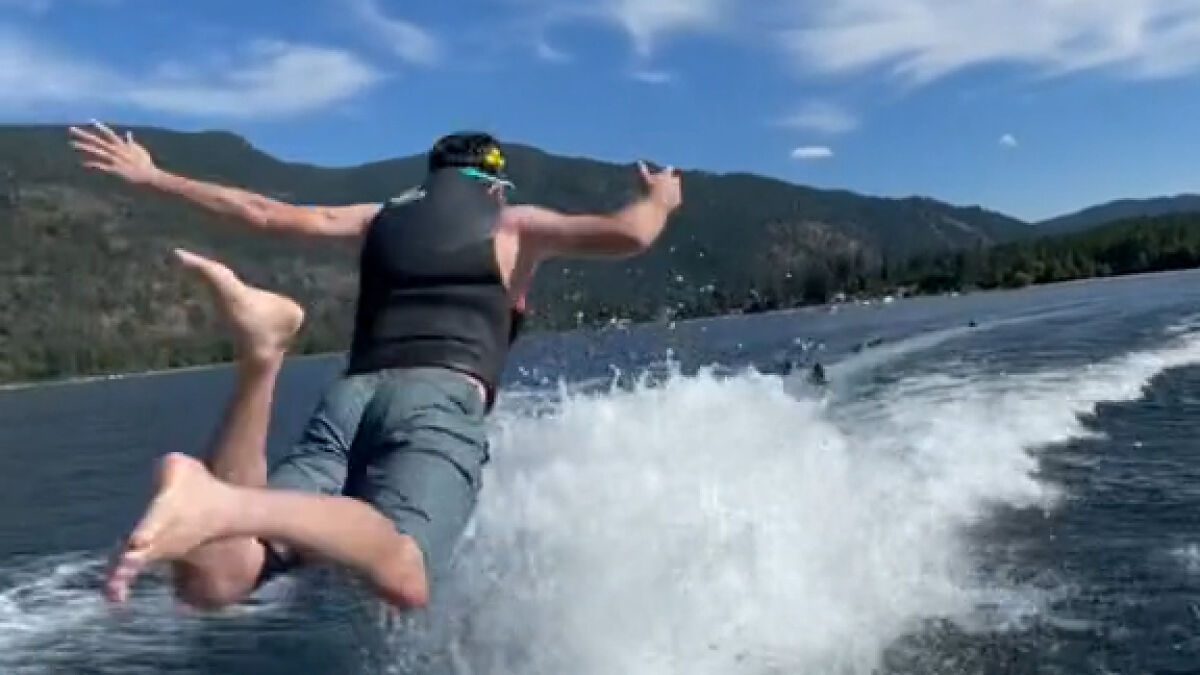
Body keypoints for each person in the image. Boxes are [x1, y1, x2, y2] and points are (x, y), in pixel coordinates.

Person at [67, 122, 683, 610]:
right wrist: (659, 199)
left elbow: (262, 212)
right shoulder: (515, 225)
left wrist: (154, 176)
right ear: (495, 185)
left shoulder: (377, 217)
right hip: (437, 400)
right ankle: (225, 504)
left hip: (350, 401)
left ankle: (261, 358)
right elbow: (630, 234)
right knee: (406, 573)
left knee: (217, 579)